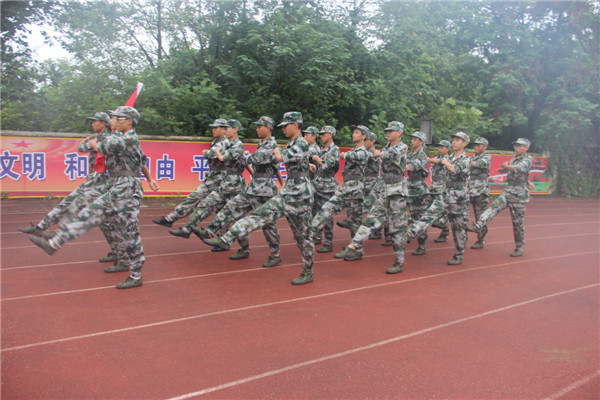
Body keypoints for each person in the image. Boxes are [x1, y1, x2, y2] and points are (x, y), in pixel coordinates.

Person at [29, 106, 149, 289]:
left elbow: (104, 147)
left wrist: (94, 143)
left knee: (122, 228)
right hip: (116, 184)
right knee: (121, 228)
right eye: (113, 118)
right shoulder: (123, 137)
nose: (113, 120)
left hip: (126, 187)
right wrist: (151, 179)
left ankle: (135, 274)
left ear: (129, 121)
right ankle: (57, 239)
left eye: (118, 118)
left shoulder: (128, 138)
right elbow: (142, 160)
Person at [203, 112, 316, 285]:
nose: (283, 128)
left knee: (302, 236)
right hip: (289, 192)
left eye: (286, 125)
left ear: (296, 125)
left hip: (300, 195)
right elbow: (293, 159)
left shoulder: (300, 142)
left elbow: (279, 157)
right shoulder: (292, 143)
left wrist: (280, 152)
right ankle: (227, 237)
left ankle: (308, 271)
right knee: (261, 214)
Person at [191, 116, 284, 267]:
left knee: (268, 224)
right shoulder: (262, 143)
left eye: (260, 126)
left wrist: (243, 154)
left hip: (265, 191)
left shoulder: (271, 144)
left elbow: (257, 159)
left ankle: (275, 254)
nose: (257, 129)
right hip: (253, 187)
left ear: (267, 128)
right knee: (233, 207)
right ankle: (212, 231)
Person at [334, 121, 410, 274]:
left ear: (399, 133)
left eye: (391, 131)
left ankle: (399, 262)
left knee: (397, 229)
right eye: (387, 131)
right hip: (384, 189)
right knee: (371, 218)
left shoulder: (402, 147)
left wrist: (380, 153)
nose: (388, 133)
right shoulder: (387, 147)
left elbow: (393, 155)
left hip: (397, 192)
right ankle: (353, 246)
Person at [168, 119, 246, 237]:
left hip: (234, 186)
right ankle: (188, 229)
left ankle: (228, 241)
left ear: (235, 130)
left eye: (227, 128)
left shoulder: (237, 145)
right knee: (208, 206)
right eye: (223, 129)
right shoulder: (227, 143)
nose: (225, 131)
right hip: (224, 183)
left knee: (233, 216)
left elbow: (223, 158)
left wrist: (212, 152)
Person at [407, 132, 471, 265]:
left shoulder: (465, 159)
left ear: (464, 144)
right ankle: (409, 234)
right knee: (428, 214)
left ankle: (459, 254)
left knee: (458, 227)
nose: (454, 142)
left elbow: (455, 169)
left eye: (458, 140)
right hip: (446, 192)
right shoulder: (449, 158)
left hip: (458, 197)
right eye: (453, 140)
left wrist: (445, 162)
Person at [152, 118, 230, 228]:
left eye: (216, 128)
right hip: (214, 179)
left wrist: (205, 152)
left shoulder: (223, 143)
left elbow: (210, 154)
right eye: (213, 128)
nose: (213, 130)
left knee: (197, 200)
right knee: (218, 209)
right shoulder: (217, 141)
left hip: (217, 180)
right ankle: (172, 220)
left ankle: (172, 220)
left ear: (223, 129)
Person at [468, 138, 534, 257]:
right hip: (508, 191)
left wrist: (506, 166)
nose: (516, 148)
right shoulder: (514, 159)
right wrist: (528, 181)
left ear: (526, 148)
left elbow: (520, 169)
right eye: (516, 145)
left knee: (517, 223)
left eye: (519, 146)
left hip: (519, 195)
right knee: (493, 207)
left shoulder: (527, 159)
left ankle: (519, 247)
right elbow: (521, 174)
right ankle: (479, 224)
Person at [312, 125, 370, 247]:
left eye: (357, 132)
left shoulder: (363, 151)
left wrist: (344, 155)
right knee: (328, 208)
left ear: (364, 136)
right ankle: (311, 231)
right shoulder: (354, 150)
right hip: (346, 186)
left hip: (355, 189)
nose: (353, 134)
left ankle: (356, 249)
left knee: (354, 221)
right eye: (353, 132)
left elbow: (358, 156)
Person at [309, 125, 340, 253]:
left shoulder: (334, 149)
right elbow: (321, 167)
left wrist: (317, 159)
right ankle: (316, 236)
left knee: (327, 214)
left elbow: (328, 165)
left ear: (331, 134)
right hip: (318, 184)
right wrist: (315, 167)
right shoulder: (323, 149)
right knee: (316, 211)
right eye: (320, 134)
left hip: (328, 186)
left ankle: (328, 242)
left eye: (324, 134)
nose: (321, 136)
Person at [406, 131, 430, 255]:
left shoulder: (422, 156)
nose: (412, 141)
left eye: (415, 139)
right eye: (412, 139)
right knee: (412, 216)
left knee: (420, 217)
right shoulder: (410, 154)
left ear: (421, 142)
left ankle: (422, 244)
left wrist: (399, 164)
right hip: (409, 187)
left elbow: (411, 167)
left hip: (419, 189)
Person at [468, 137, 491, 249]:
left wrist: (465, 162)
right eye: (475, 145)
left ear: (485, 147)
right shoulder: (472, 157)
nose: (476, 147)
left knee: (480, 216)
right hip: (471, 190)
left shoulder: (486, 157)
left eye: (479, 145)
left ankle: (480, 240)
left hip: (481, 191)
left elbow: (478, 164)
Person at [427, 139, 451, 243]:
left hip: (443, 187)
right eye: (439, 147)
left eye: (442, 147)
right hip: (434, 186)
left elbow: (438, 161)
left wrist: (428, 159)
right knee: (427, 208)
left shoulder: (448, 159)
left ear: (448, 149)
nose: (439, 149)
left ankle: (445, 230)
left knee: (441, 212)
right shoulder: (437, 158)